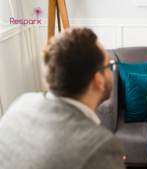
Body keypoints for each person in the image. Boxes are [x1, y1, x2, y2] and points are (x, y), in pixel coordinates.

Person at [0, 28, 126, 169]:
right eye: (109, 65)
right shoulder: (100, 145)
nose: (111, 71)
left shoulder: (20, 103)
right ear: (98, 80)